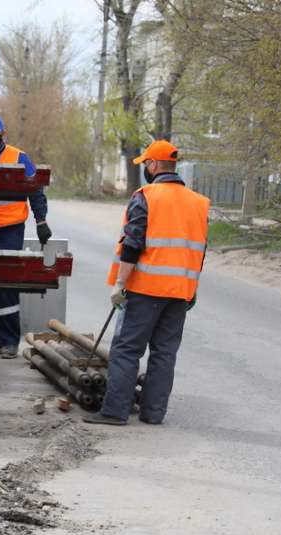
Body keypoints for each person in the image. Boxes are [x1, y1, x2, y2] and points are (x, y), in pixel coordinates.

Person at [85, 140, 210, 426]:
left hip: (145, 289)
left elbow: (132, 244)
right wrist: (192, 289)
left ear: (153, 165)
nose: (144, 169)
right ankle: (153, 414)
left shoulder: (146, 196)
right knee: (164, 353)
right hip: (180, 293)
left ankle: (115, 412)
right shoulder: (199, 203)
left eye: (145, 164)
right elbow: (199, 252)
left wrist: (119, 283)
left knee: (127, 350)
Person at [0, 115, 51, 359]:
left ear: (3, 134)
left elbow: (36, 190)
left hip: (9, 227)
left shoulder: (18, 157)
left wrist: (41, 221)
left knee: (5, 282)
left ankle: (9, 340)